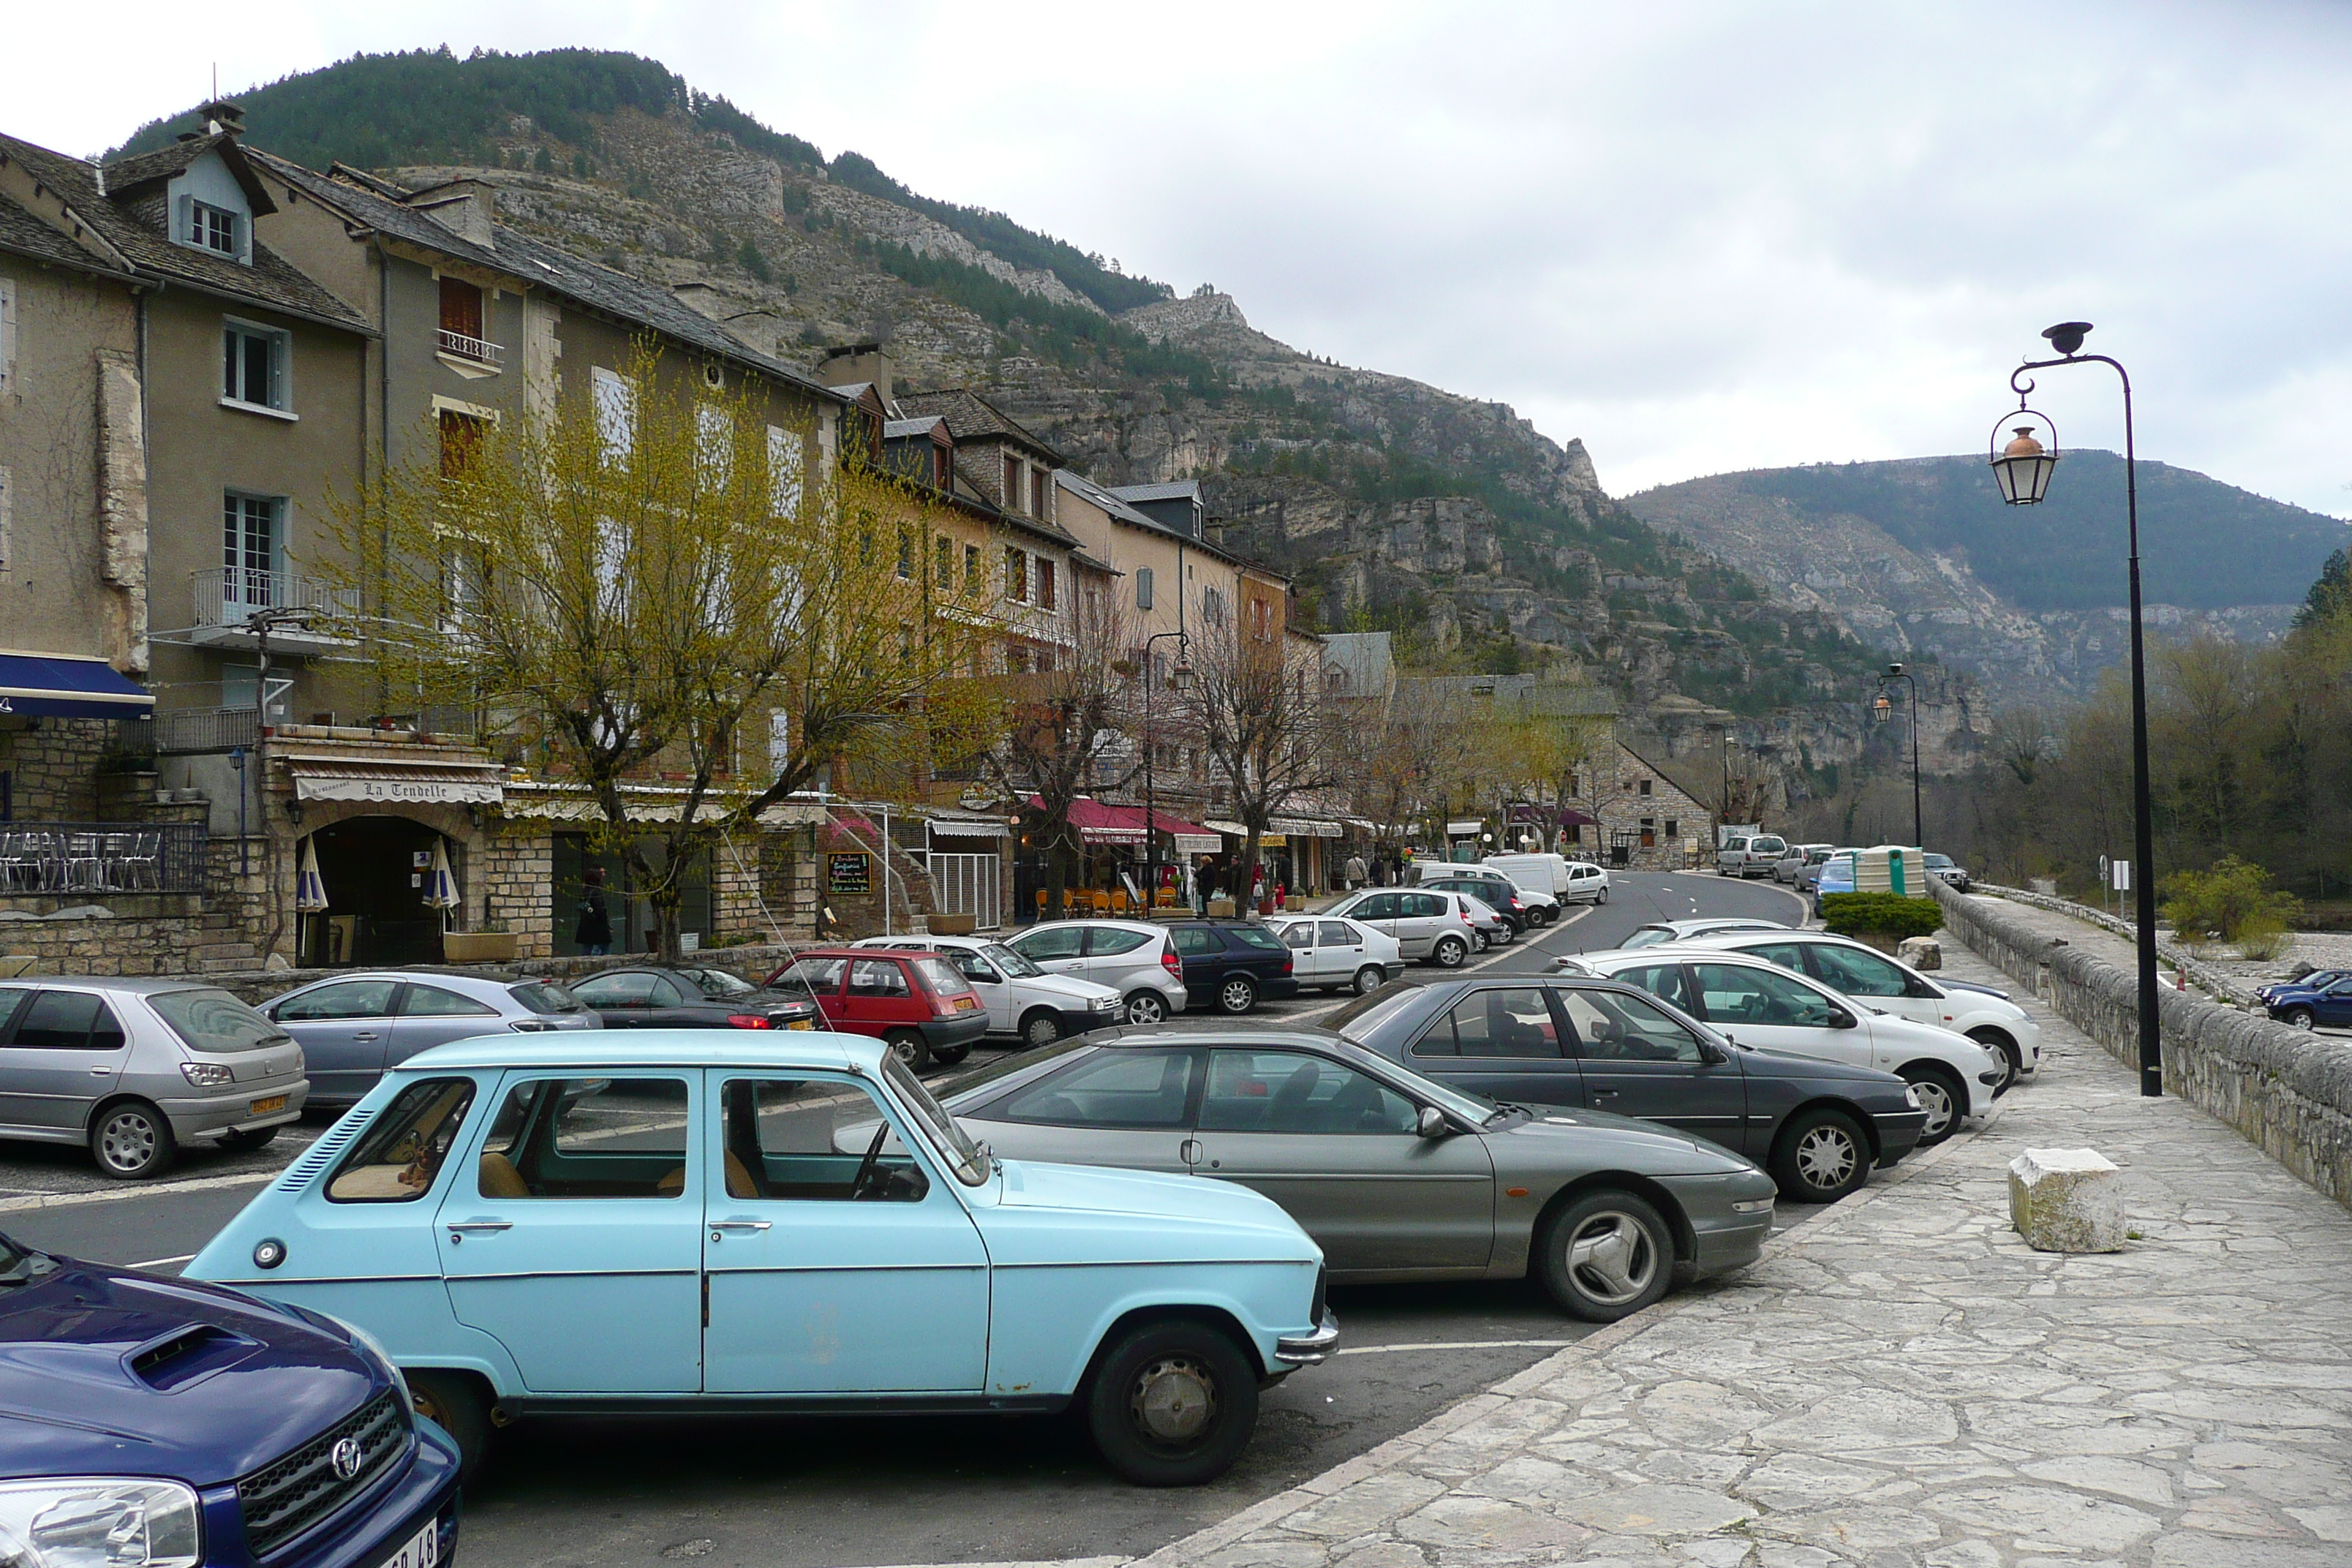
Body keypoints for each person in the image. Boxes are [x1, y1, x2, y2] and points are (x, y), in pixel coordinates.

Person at [574, 868, 612, 956]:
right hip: (598, 927)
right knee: (601, 949)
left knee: (587, 948)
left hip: (586, 926)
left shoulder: (585, 891)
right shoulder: (596, 892)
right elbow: (600, 910)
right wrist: (606, 924)